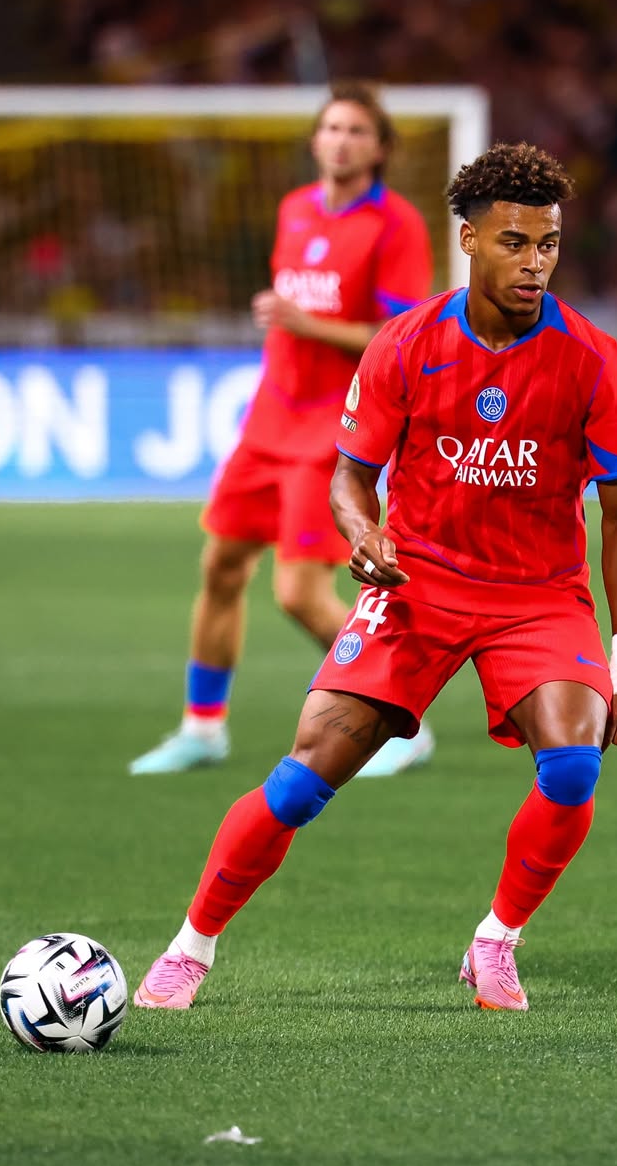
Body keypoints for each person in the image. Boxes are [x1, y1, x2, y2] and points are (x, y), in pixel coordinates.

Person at [132, 141, 617, 1013]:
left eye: (549, 244)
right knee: (302, 780)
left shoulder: (592, 356)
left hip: (536, 599)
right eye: (516, 243)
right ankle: (191, 947)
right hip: (418, 584)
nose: (535, 263)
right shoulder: (406, 344)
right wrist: (362, 528)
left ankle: (496, 942)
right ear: (469, 240)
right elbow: (347, 473)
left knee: (572, 766)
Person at [129, 81, 435, 779]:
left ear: (380, 148)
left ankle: (404, 723)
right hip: (267, 422)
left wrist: (306, 323)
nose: (342, 140)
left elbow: (399, 340)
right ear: (314, 140)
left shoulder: (396, 225)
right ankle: (202, 729)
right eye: (332, 127)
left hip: (331, 431)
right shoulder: (295, 210)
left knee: (298, 593)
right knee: (221, 567)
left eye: (358, 130)